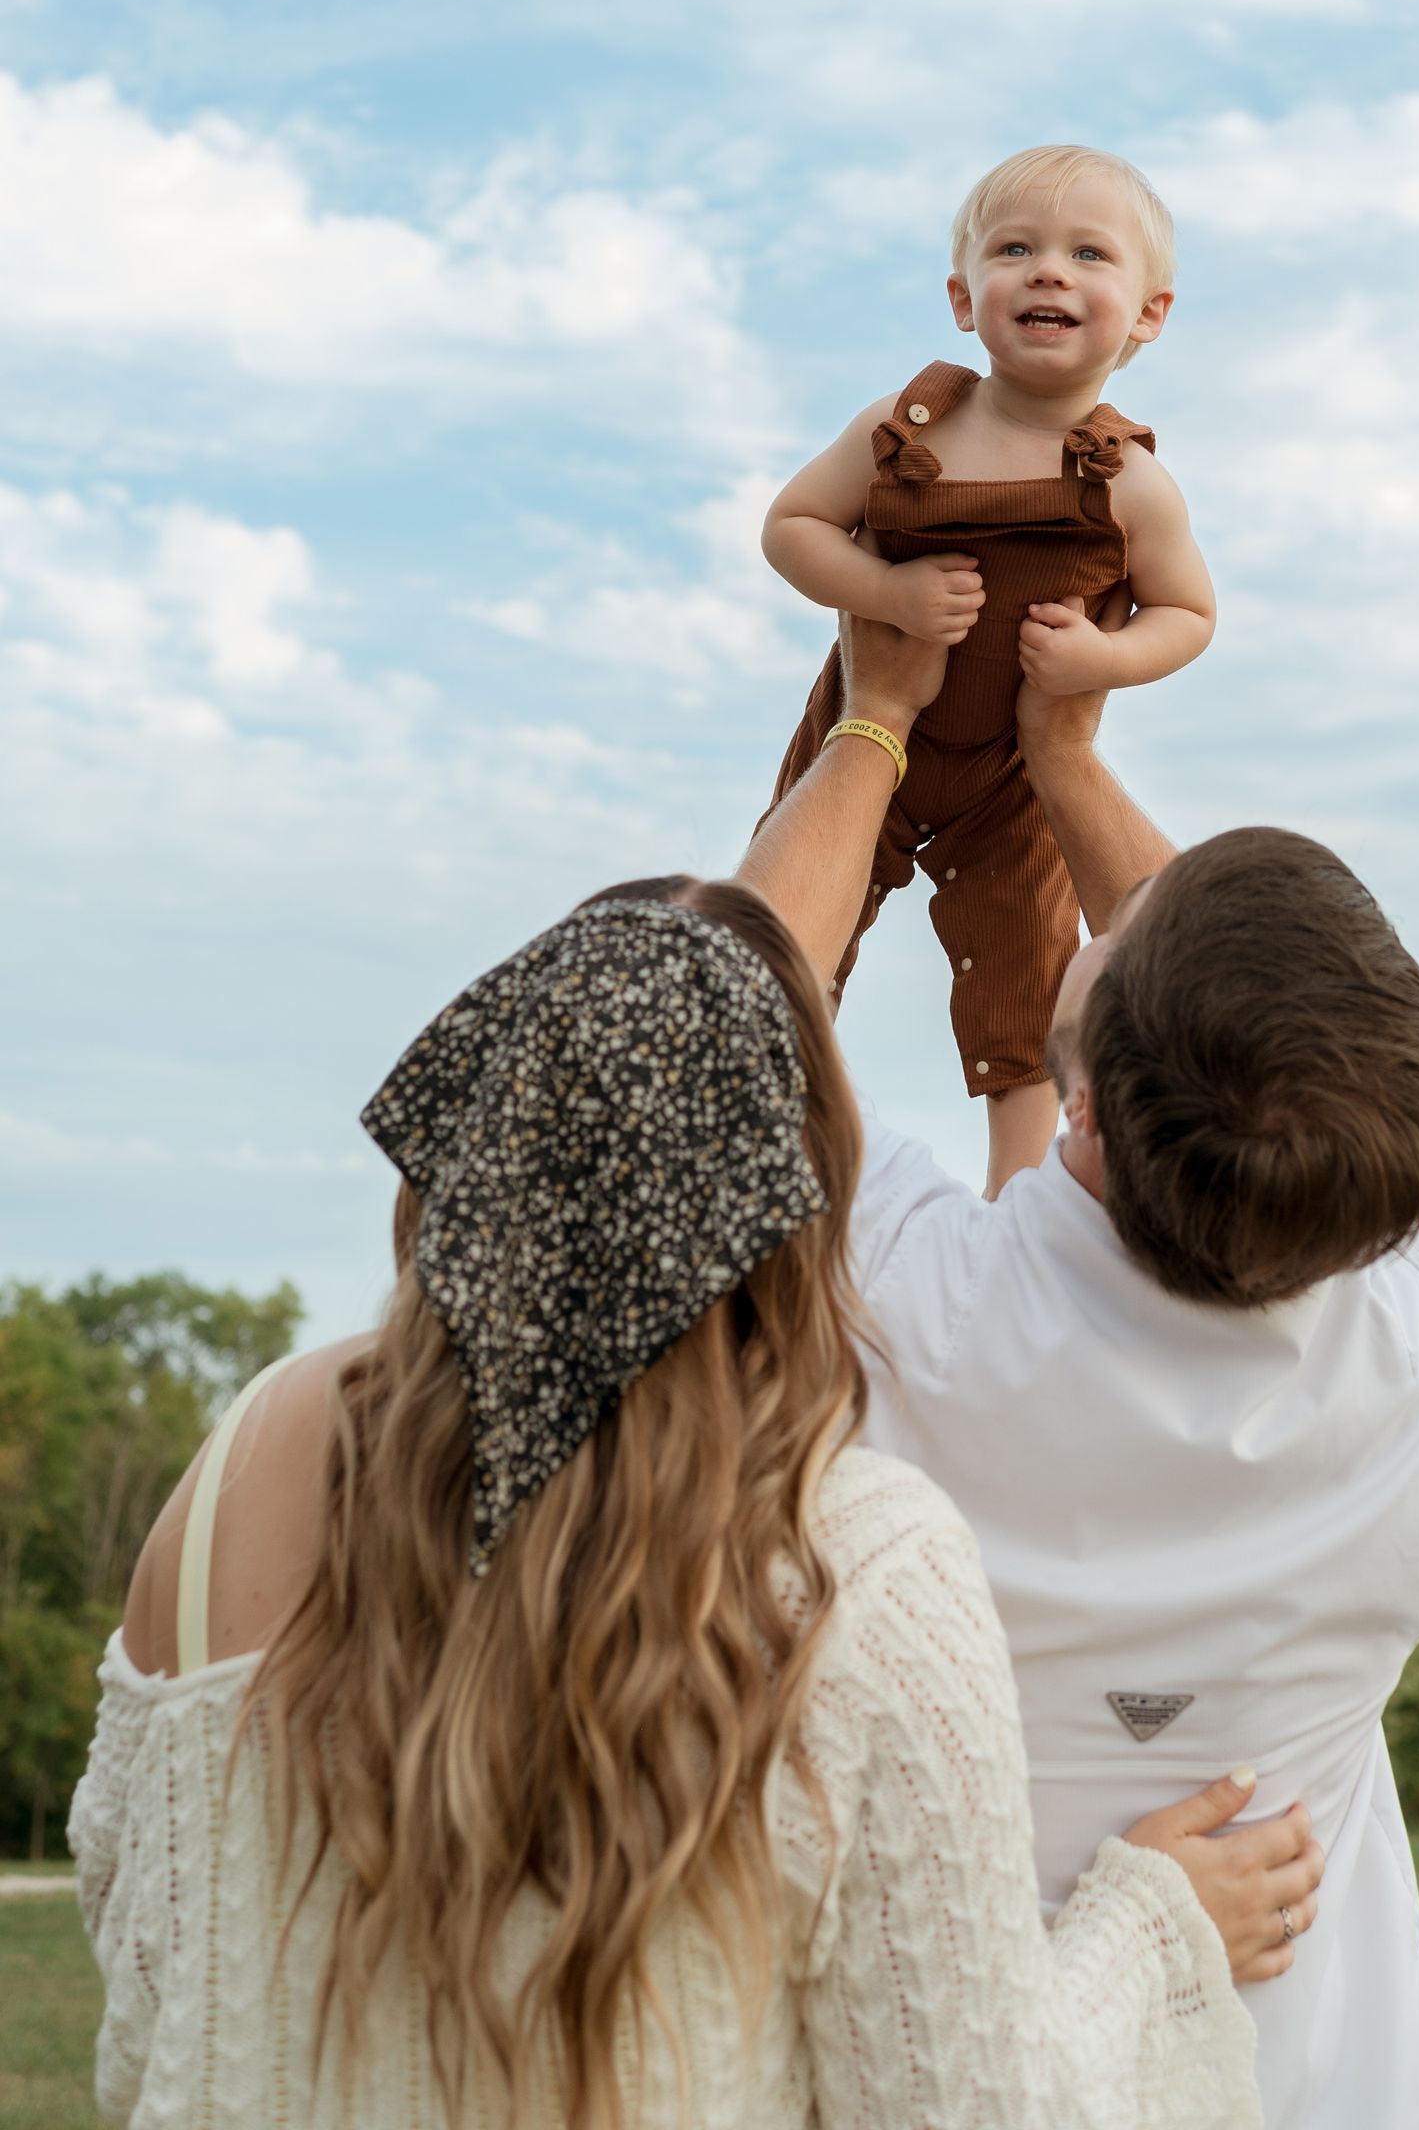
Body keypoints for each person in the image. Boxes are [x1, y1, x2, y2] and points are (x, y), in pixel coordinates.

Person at [70, 851, 1325, 2128]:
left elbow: (159, 2003)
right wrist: (1155, 1928)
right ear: (801, 1187)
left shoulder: (231, 1475)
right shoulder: (854, 1562)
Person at [738, 612, 1419, 2130]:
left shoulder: (906, 1308)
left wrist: (878, 719)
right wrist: (1064, 755)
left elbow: (736, 1005)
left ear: (1080, 1120)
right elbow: (1265, 1041)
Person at [761, 143, 1216, 1193]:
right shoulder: (902, 431)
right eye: (1016, 249)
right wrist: (883, 596)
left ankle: (1020, 1188)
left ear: (1147, 314)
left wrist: (1106, 654)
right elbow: (792, 527)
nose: (1049, 270)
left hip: (1015, 770)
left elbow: (1188, 613)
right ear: (967, 299)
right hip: (867, 729)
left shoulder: (1132, 483)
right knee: (797, 929)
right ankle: (785, 1135)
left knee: (1026, 971)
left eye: (1088, 254)